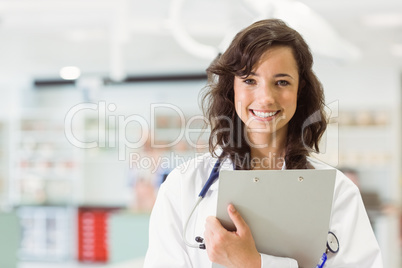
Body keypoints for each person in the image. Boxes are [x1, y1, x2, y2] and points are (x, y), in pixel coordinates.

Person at [143, 19, 383, 267]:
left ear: (300, 90)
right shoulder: (183, 187)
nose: (266, 98)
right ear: (231, 89)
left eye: (282, 82)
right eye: (249, 80)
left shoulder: (338, 193)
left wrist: (255, 264)